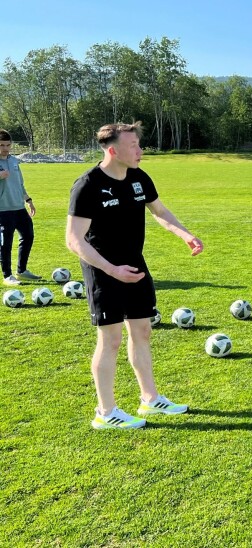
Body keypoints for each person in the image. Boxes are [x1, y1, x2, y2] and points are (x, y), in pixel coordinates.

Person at [66, 121, 204, 430]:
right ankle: (105, 412)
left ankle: (150, 399)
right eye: (134, 146)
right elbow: (74, 240)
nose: (140, 151)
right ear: (113, 150)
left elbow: (160, 212)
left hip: (135, 265)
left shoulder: (139, 178)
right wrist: (111, 269)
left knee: (142, 331)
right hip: (103, 270)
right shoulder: (87, 185)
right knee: (111, 339)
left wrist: (186, 235)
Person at [0, 129, 40, 286]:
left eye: (8, 145)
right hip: (3, 210)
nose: (5, 148)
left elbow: (20, 183)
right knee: (6, 243)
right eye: (2, 145)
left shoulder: (14, 161)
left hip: (19, 208)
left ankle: (21, 271)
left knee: (28, 236)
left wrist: (28, 199)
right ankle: (7, 276)